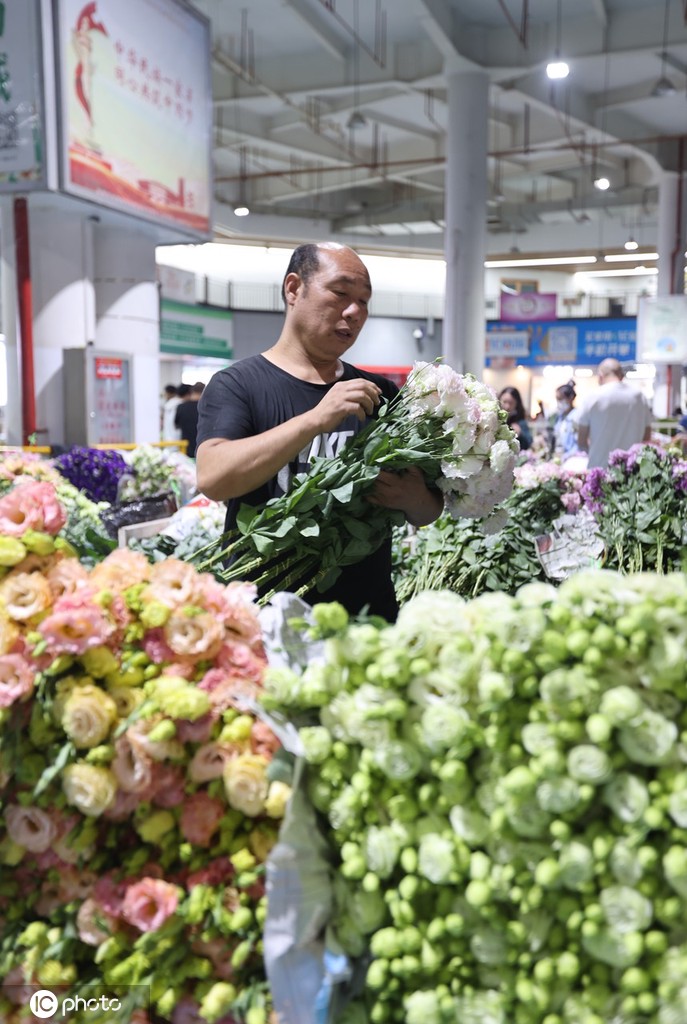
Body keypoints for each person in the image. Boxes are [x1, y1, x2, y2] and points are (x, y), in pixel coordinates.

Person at [195, 241, 443, 621]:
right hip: (265, 617)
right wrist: (315, 420)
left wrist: (414, 498)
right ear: (294, 289)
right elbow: (213, 478)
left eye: (364, 301)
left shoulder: (382, 394)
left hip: (367, 618)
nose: (355, 311)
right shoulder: (237, 384)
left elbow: (427, 511)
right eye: (341, 293)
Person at [576, 358, 652, 468]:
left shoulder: (592, 396)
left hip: (599, 471)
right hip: (632, 472)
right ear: (622, 375)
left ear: (600, 376)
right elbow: (646, 438)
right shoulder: (639, 397)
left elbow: (582, 440)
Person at [549, 381, 579, 460]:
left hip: (572, 460)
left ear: (571, 398)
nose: (559, 402)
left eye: (561, 399)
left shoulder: (577, 417)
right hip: (559, 458)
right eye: (557, 399)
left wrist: (567, 456)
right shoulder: (559, 417)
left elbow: (578, 444)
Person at [175, 382, 205, 458]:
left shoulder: (181, 407)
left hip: (185, 448)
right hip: (202, 448)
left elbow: (176, 425)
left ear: (192, 392)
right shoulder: (206, 407)